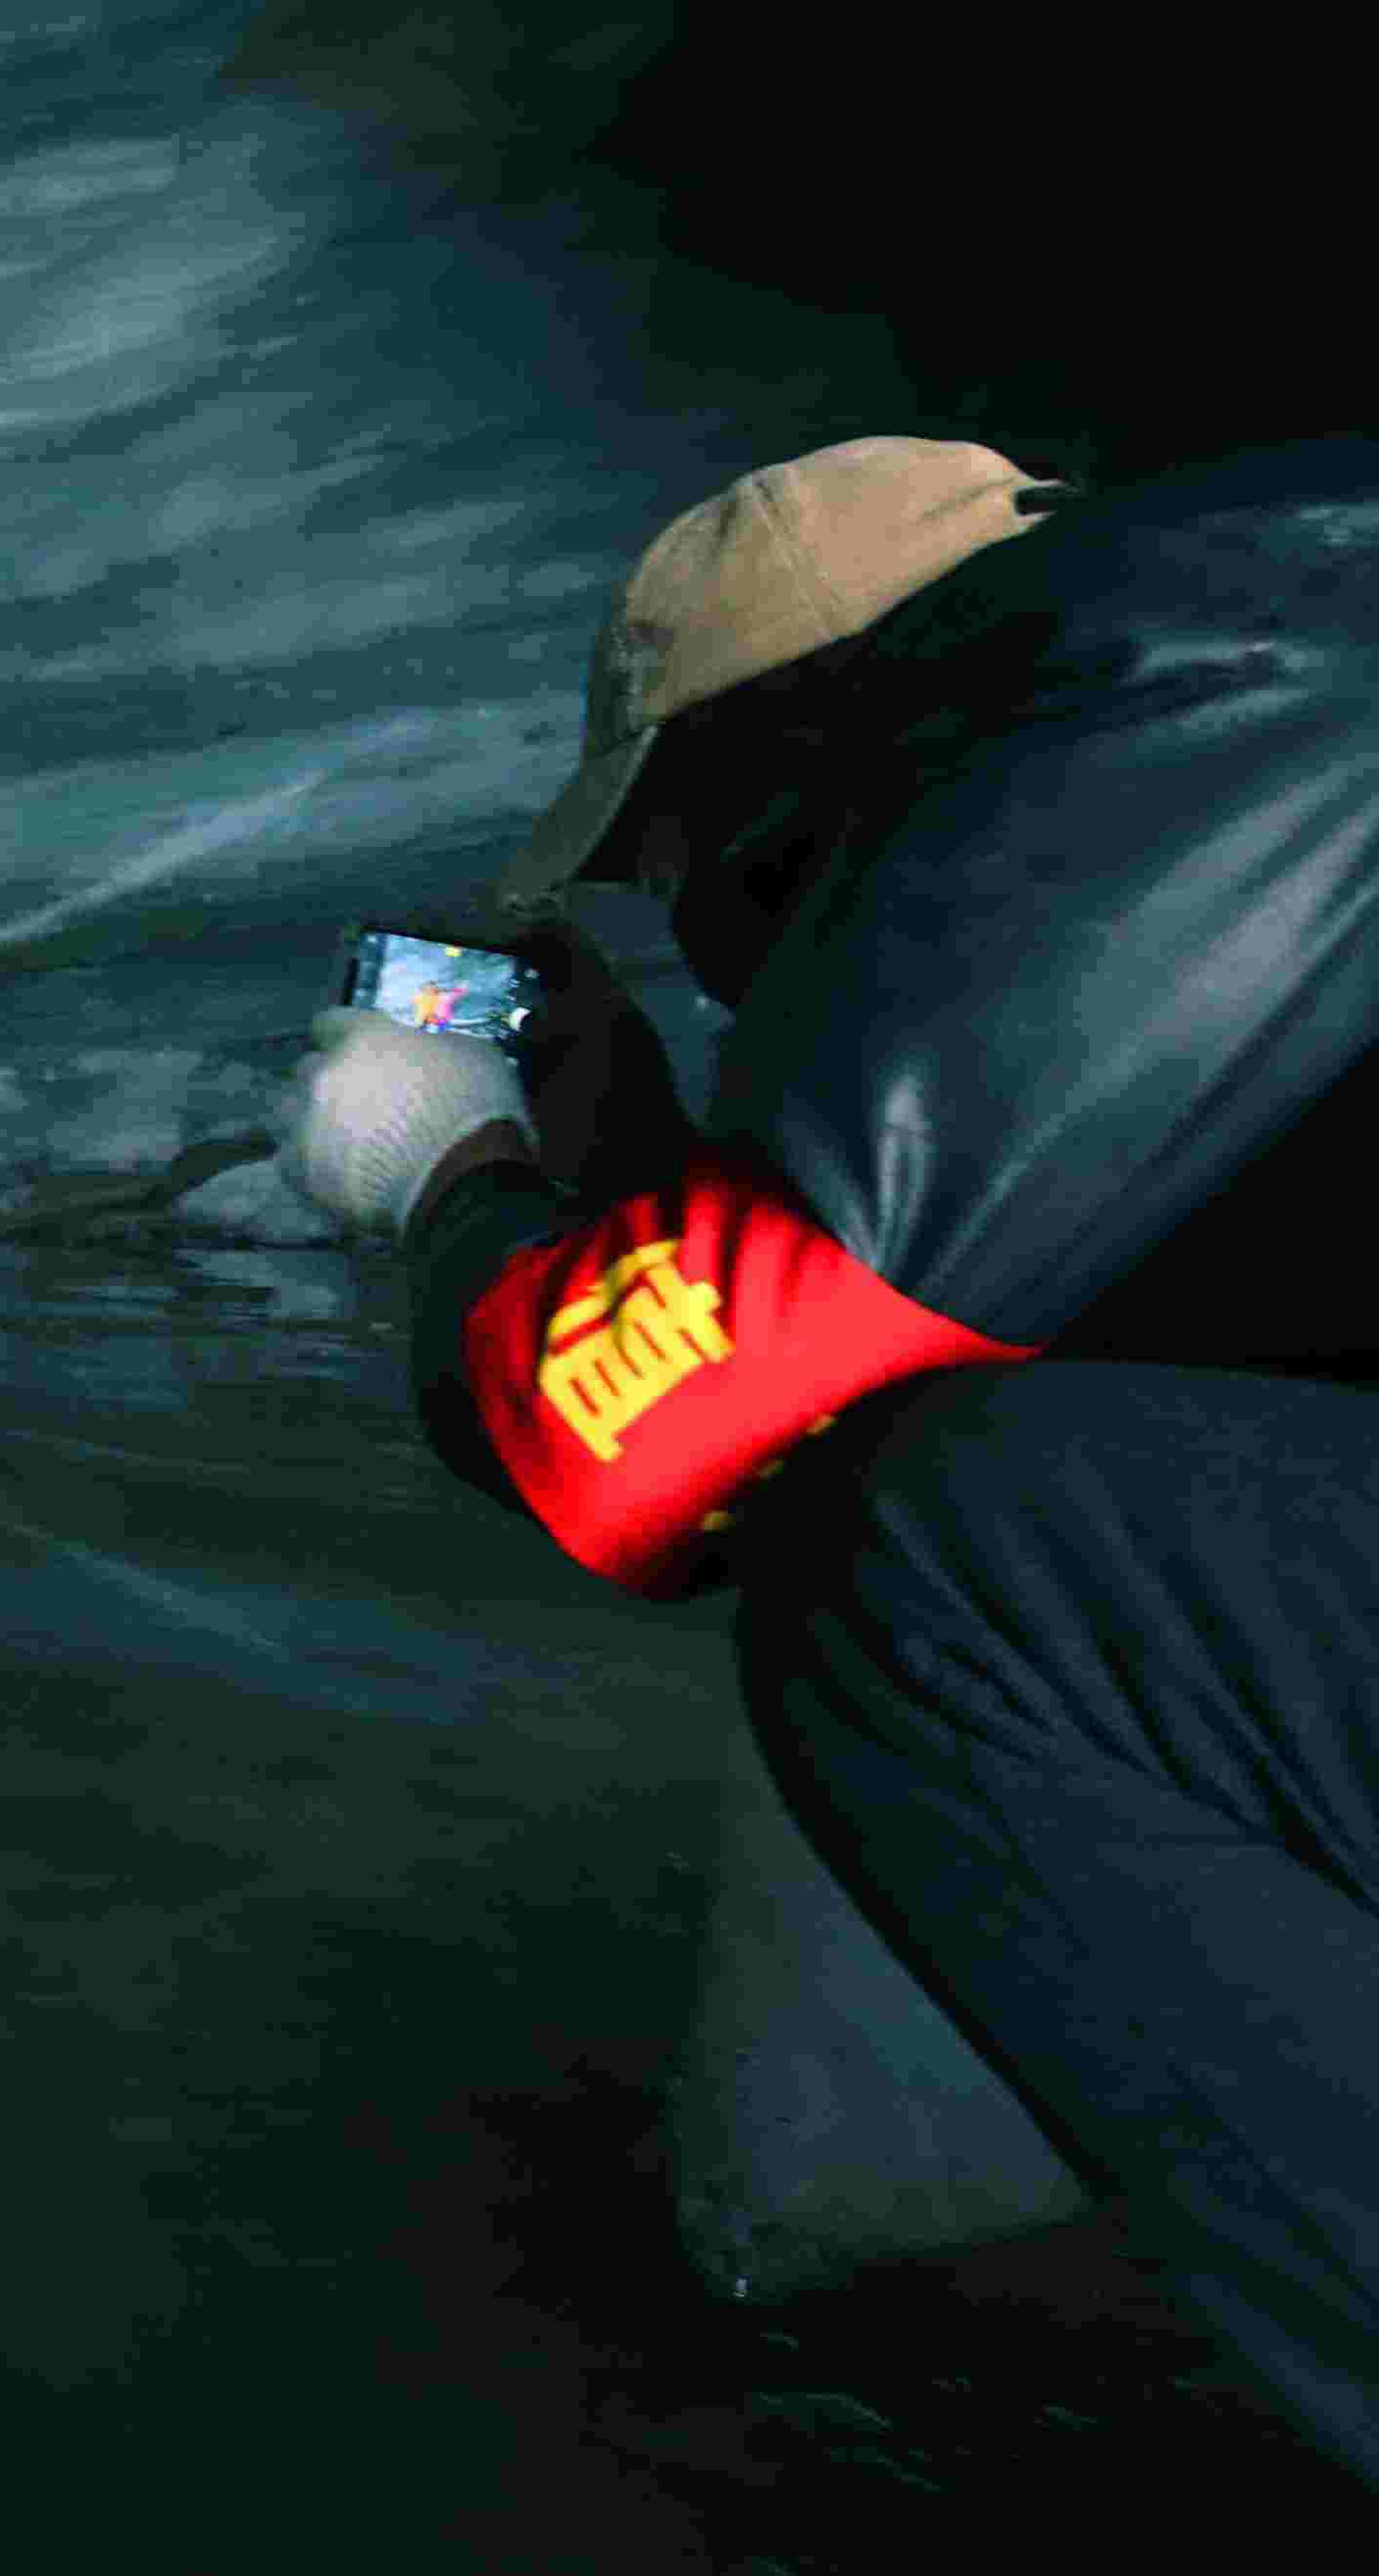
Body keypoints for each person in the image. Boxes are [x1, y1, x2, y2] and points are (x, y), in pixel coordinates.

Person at [275, 433, 1379, 2482]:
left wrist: (446, 1179)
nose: (699, 931)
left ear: (786, 755)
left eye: (675, 859)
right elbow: (932, 1309)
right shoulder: (1276, 640)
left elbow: (664, 1432)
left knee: (936, 1568)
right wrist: (621, 1161)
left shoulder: (1169, 684)